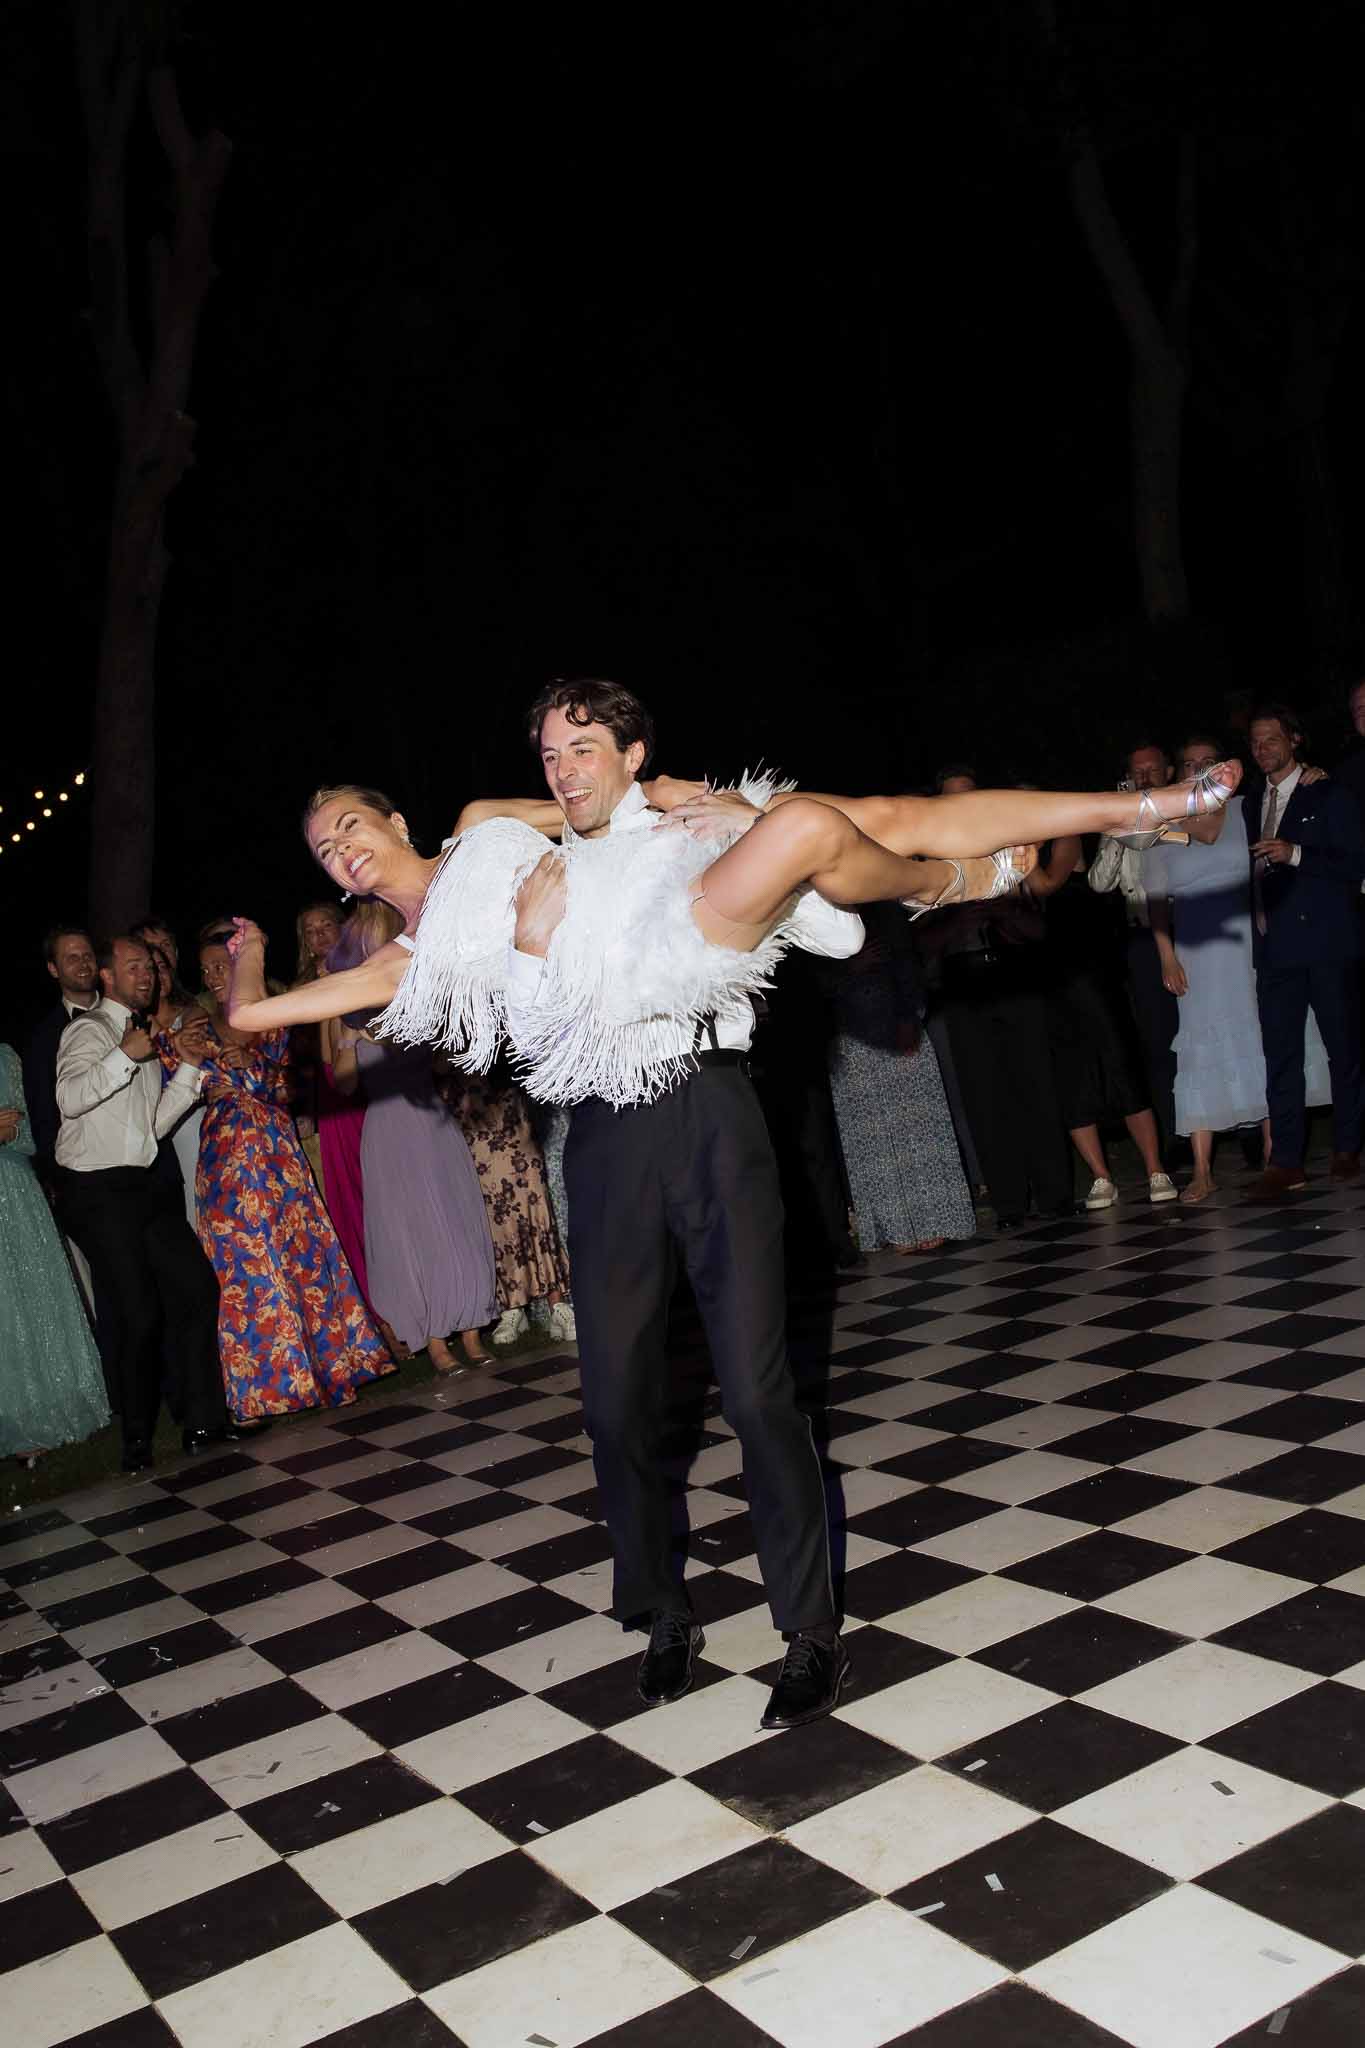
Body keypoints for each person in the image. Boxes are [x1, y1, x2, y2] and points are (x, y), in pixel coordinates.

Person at [224, 685, 1241, 1724]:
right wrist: (256, 976)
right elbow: (282, 1013)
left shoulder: (489, 825)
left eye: (351, 822)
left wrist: (690, 798)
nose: (341, 846)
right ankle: (664, 1612)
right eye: (321, 844)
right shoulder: (417, 956)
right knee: (618, 1401)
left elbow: (608, 796)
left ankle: (808, 1629)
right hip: (609, 1132)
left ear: (395, 819)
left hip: (698, 1052)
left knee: (759, 1390)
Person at [168, 935, 393, 1421]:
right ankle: (262, 1390)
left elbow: (286, 1086)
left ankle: (329, 1369)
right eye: (204, 971)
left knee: (302, 1254)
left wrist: (254, 1067)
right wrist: (182, 1055)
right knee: (243, 1264)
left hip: (276, 1152)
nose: (212, 977)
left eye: (219, 967)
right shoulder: (194, 1027)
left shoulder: (270, 1021)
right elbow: (175, 1081)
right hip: (224, 1161)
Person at [55, 935, 238, 1472]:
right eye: (134, 966)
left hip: (142, 1182)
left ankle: (204, 1421)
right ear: (107, 977)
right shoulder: (87, 1031)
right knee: (137, 1313)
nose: (148, 974)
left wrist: (186, 1069)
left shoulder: (142, 1037)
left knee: (196, 1288)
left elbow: (151, 1128)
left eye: (151, 968)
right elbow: (69, 1099)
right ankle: (136, 1440)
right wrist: (123, 1057)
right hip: (96, 1191)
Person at [1151, 734, 1324, 1203]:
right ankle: (1203, 1170)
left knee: (1263, 1037)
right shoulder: (1162, 822)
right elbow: (1156, 903)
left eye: (1209, 761)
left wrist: (1313, 775)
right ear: (1179, 773)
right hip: (1196, 951)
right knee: (1199, 1045)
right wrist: (1166, 954)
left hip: (1249, 944)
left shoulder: (1249, 808)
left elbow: (1293, 822)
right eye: (1190, 764)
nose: (1201, 769)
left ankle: (1275, 1153)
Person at [325, 910, 498, 1375]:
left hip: (433, 1126)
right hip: (386, 1134)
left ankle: (472, 1333)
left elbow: (448, 1066)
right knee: (411, 1233)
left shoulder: (417, 999)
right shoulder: (346, 1015)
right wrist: (348, 1045)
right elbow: (343, 1087)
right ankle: (436, 1342)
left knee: (457, 1222)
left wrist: (438, 1032)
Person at [1244, 703, 1365, 1197]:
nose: (1262, 749)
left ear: (1294, 740)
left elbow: (1354, 863)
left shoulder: (1328, 791)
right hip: (1275, 951)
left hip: (1327, 943)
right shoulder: (1250, 802)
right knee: (1280, 1055)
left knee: (1344, 1049)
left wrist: (1293, 852)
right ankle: (1287, 1160)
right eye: (1255, 742)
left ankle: (1346, 1147)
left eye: (1272, 738)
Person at [1027, 834, 1176, 1210]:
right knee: (1073, 1079)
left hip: (1091, 970)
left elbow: (1048, 884)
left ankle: (1156, 1169)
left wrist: (1019, 856)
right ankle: (1100, 1177)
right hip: (1047, 978)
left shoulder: (1065, 839)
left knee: (1120, 1063)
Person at [826, 903, 975, 1254]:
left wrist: (911, 1015)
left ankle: (935, 1218)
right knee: (872, 1136)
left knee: (919, 1127)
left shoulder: (881, 904)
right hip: (849, 1035)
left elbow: (908, 959)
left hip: (896, 1024)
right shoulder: (814, 911)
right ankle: (894, 1226)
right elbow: (806, 978)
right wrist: (849, 969)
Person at [0, 1044, 110, 1464]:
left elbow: (28, 1134)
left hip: (13, 1191)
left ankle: (45, 1410)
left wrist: (12, 1131)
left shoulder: (6, 1057)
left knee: (31, 1301)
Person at [1087, 741, 1182, 1161]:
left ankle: (1240, 1129)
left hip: (1192, 930)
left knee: (1201, 1027)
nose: (1144, 778)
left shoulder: (1186, 809)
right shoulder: (1121, 823)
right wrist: (1121, 828)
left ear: (1169, 770)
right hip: (1142, 939)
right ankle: (1175, 1136)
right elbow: (1099, 883)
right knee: (1158, 1043)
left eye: (1152, 770)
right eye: (1137, 771)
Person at [447, 1061, 574, 1348]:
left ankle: (558, 1304)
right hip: (468, 1109)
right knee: (492, 1208)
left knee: (533, 1196)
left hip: (507, 1096)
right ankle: (511, 1307)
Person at [23, 926, 100, 1188]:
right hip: (79, 1174)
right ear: (53, 969)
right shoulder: (42, 1037)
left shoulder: (130, 1017)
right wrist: (56, 1178)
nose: (83, 964)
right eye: (72, 958)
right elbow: (43, 1112)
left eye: (87, 955)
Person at [147, 941, 204, 1229]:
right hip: (152, 1129)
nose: (158, 976)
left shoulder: (192, 1011)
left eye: (161, 967)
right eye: (149, 970)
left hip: (191, 1122)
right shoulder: (130, 1025)